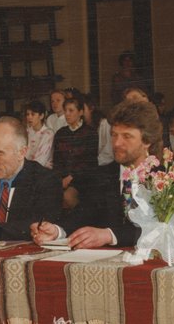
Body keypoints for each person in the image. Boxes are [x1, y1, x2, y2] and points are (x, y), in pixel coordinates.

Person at [32, 99, 162, 249]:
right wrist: (57, 231)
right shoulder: (103, 175)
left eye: (127, 136)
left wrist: (109, 235)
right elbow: (84, 213)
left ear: (147, 141)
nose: (117, 143)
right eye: (114, 135)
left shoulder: (165, 178)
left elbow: (159, 229)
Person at [52, 94, 98, 208]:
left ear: (80, 112)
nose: (67, 114)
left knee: (67, 197)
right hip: (62, 178)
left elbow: (89, 161)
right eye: (65, 110)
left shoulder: (90, 133)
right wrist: (59, 179)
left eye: (71, 110)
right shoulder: (60, 133)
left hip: (83, 178)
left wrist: (71, 177)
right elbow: (56, 160)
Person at [83, 95, 114, 165]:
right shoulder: (84, 127)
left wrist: (92, 163)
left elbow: (109, 153)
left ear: (91, 108)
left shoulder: (104, 124)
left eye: (83, 109)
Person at [24, 99, 54, 168]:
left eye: (33, 114)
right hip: (27, 167)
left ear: (41, 116)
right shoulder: (26, 131)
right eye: (28, 114)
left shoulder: (48, 133)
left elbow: (41, 160)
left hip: (41, 169)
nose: (29, 117)